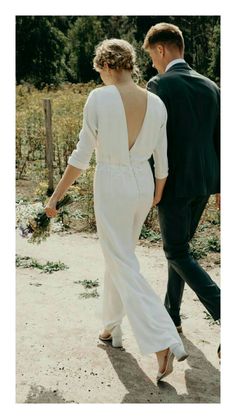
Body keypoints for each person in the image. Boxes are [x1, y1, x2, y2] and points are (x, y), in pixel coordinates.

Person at [45, 38, 188, 382]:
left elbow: (81, 156)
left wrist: (54, 198)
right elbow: (163, 162)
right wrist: (154, 194)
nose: (101, 78)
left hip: (112, 183)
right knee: (119, 258)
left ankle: (163, 340)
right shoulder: (156, 102)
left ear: (107, 66)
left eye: (100, 72)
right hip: (143, 185)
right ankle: (111, 329)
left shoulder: (100, 97)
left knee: (122, 262)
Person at [143, 23, 220, 349]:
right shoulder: (211, 86)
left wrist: (150, 188)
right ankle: (171, 313)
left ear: (161, 49)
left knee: (175, 251)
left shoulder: (159, 84)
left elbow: (153, 141)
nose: (152, 64)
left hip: (172, 183)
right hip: (204, 182)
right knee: (181, 250)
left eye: (151, 56)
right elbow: (221, 140)